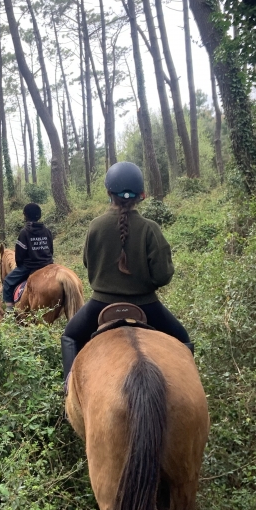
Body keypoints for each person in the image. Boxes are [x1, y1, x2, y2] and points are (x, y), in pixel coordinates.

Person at [61, 161, 193, 382]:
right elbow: (163, 275)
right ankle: (187, 383)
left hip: (100, 305)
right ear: (141, 195)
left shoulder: (95, 225)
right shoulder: (150, 228)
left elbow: (87, 262)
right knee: (182, 337)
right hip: (147, 305)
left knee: (70, 335)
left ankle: (68, 388)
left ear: (109, 193)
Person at [3, 203, 54, 313]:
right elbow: (51, 250)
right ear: (39, 215)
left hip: (30, 266)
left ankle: (9, 310)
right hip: (48, 264)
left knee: (7, 281)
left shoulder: (24, 232)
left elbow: (19, 255)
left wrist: (20, 264)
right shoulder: (47, 231)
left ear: (25, 215)